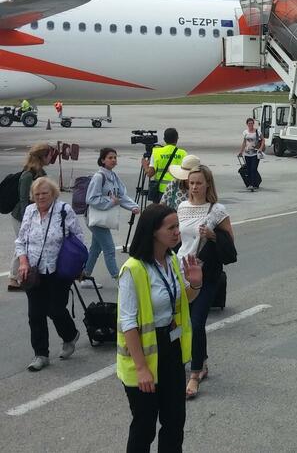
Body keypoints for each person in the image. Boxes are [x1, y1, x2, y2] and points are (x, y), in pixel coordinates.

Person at [117, 204, 202, 452]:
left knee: (175, 421)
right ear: (153, 231)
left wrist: (195, 285)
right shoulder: (133, 269)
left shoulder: (171, 259)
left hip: (171, 349)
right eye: (171, 227)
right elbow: (128, 323)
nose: (178, 232)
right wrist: (142, 368)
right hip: (142, 355)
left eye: (178, 226)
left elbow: (179, 303)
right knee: (144, 427)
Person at [173, 163, 233, 400]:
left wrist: (213, 235)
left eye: (199, 182)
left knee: (196, 323)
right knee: (181, 322)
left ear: (208, 184)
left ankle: (195, 373)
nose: (194, 187)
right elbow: (177, 239)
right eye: (191, 182)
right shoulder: (181, 207)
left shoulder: (217, 210)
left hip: (207, 273)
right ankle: (202, 361)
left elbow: (230, 246)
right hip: (181, 271)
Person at [14, 177, 83, 371]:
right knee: (35, 314)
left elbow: (77, 238)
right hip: (34, 270)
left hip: (58, 269)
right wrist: (23, 261)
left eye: (45, 193)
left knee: (55, 309)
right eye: (37, 194)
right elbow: (21, 241)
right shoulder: (29, 211)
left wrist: (78, 266)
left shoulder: (63, 210)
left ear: (53, 193)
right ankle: (41, 354)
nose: (41, 197)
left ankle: (70, 335)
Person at [83, 148, 140, 285]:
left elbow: (121, 196)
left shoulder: (113, 176)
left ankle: (84, 277)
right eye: (110, 157)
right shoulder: (99, 177)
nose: (113, 160)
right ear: (102, 160)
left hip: (102, 218)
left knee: (95, 249)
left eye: (115, 157)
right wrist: (110, 202)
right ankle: (120, 279)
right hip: (95, 219)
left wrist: (133, 206)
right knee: (109, 248)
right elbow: (91, 199)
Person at [8, 142, 49, 291]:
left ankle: (16, 277)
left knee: (22, 246)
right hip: (21, 215)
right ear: (42, 157)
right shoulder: (27, 175)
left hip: (33, 214)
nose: (51, 157)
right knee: (23, 245)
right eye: (49, 155)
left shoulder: (41, 173)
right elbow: (23, 199)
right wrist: (29, 218)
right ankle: (14, 279)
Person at [144, 128, 186, 204]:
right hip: (177, 190)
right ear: (177, 139)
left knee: (160, 213)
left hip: (161, 190)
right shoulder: (183, 153)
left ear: (164, 139)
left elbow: (150, 173)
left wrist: (145, 166)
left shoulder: (157, 152)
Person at [237, 117, 265, 192]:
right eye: (249, 123)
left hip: (255, 153)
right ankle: (251, 183)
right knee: (249, 169)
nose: (250, 124)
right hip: (247, 154)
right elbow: (244, 142)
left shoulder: (257, 132)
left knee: (253, 168)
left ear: (253, 124)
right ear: (247, 124)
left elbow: (263, 139)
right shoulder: (245, 132)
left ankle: (252, 184)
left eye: (252, 123)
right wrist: (241, 151)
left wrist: (261, 148)